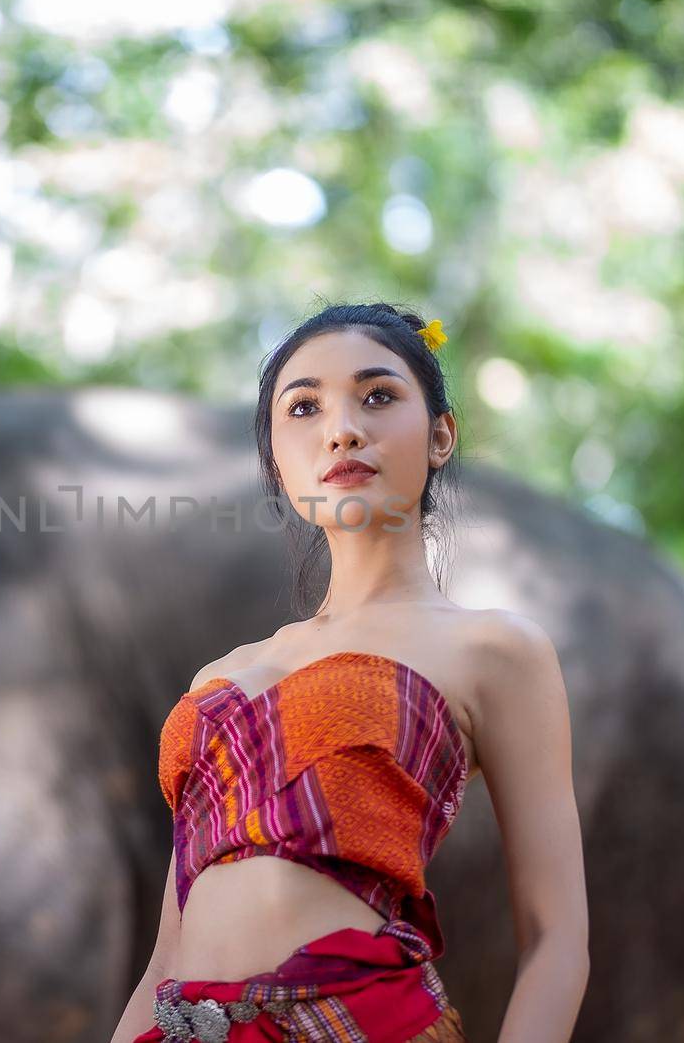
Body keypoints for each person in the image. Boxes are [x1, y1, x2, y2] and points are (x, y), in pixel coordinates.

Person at [110, 303, 589, 1043]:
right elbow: (167, 954)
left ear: (440, 436)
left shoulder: (494, 649)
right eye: (304, 406)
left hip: (358, 1025)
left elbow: (556, 940)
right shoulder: (219, 676)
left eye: (378, 396)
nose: (342, 428)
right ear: (275, 457)